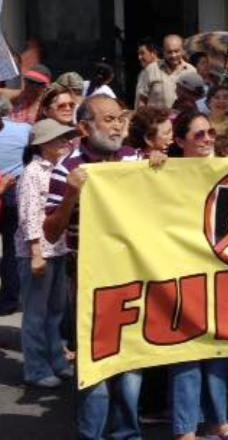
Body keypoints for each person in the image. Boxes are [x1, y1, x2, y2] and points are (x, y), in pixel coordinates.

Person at [43, 95, 144, 439]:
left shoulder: (134, 158)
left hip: (133, 276)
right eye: (109, 120)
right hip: (90, 281)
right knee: (97, 365)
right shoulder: (68, 168)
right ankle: (93, 435)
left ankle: (127, 433)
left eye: (120, 119)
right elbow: (51, 232)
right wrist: (71, 196)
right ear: (85, 127)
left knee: (131, 364)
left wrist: (160, 166)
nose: (117, 126)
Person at [170, 111, 228, 440]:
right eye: (198, 135)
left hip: (219, 271)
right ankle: (185, 429)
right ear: (179, 141)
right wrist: (150, 163)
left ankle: (218, 422)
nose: (207, 140)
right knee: (187, 352)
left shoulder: (227, 166)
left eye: (210, 134)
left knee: (217, 350)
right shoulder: (164, 172)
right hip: (180, 270)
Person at [16, 119, 76, 388]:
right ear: (42, 144)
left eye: (64, 137)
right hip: (38, 251)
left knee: (55, 311)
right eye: (57, 139)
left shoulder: (60, 169)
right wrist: (36, 252)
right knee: (36, 314)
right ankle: (36, 369)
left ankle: (56, 360)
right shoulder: (32, 172)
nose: (64, 142)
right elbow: (29, 215)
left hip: (58, 247)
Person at [0, 99, 31, 316]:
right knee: (11, 247)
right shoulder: (25, 130)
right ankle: (11, 297)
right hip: (13, 190)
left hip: (7, 189)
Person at [137, 34, 196, 108]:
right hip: (156, 119)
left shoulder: (191, 71)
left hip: (182, 118)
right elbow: (142, 100)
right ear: (164, 52)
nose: (173, 55)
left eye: (176, 51)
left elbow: (195, 100)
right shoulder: (151, 70)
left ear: (183, 50)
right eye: (169, 52)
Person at [135, 37, 160, 108]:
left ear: (153, 53)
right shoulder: (143, 72)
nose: (139, 57)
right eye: (138, 54)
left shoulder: (163, 70)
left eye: (142, 53)